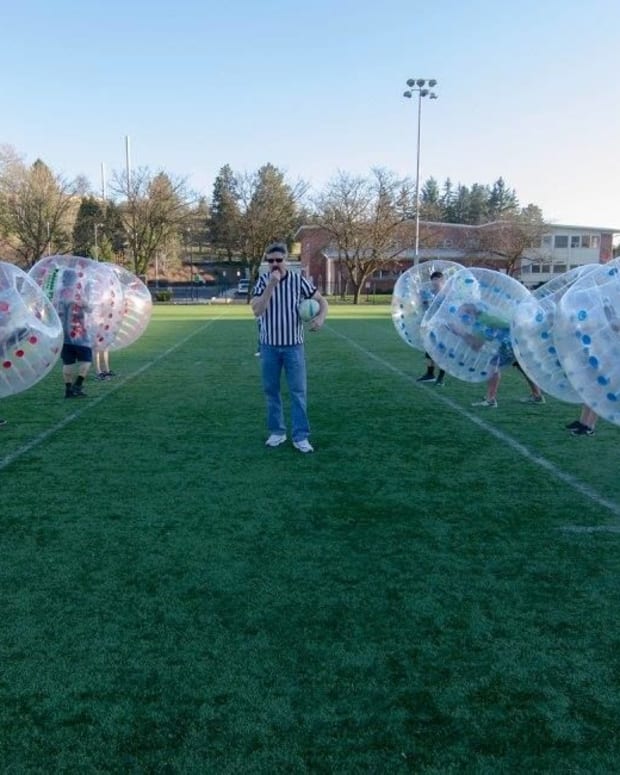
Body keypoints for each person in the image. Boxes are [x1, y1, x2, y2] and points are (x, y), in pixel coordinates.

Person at [251, 241, 328, 453]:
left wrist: (320, 318)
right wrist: (270, 286)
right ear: (267, 262)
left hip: (294, 346)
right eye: (271, 261)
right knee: (271, 391)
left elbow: (323, 301)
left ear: (286, 260)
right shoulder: (263, 281)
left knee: (298, 392)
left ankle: (301, 436)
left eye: (279, 260)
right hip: (269, 347)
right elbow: (257, 310)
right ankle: (277, 432)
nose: (275, 264)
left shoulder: (298, 281)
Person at [450, 303, 544, 409]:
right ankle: (537, 395)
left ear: (471, 312)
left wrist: (460, 333)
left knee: (493, 367)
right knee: (521, 366)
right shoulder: (484, 317)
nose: (463, 318)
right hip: (517, 340)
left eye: (464, 314)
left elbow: (477, 346)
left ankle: (490, 400)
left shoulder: (481, 322)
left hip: (508, 342)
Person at [57, 270, 93, 398]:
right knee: (86, 360)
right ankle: (78, 385)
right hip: (79, 333)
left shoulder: (58, 294)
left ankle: (68, 389)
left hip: (63, 335)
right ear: (74, 280)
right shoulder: (77, 294)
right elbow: (88, 308)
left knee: (68, 363)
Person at [417, 270, 447, 386]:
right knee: (429, 351)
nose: (435, 282)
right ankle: (430, 374)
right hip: (429, 325)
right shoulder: (429, 293)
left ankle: (441, 377)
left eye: (437, 280)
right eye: (433, 280)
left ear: (442, 281)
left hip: (442, 327)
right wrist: (422, 300)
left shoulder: (446, 295)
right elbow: (424, 308)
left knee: (441, 352)